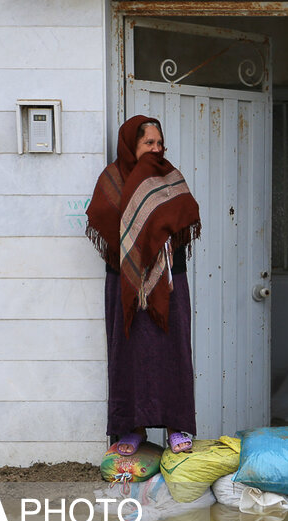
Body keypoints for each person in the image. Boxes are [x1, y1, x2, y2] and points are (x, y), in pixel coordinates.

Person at [85, 115, 201, 455]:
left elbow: (187, 217)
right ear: (130, 146)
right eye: (147, 143)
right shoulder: (112, 179)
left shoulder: (170, 177)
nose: (156, 149)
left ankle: (177, 428)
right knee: (128, 355)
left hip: (168, 281)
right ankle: (131, 429)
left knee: (173, 353)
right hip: (124, 283)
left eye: (159, 143)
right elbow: (103, 219)